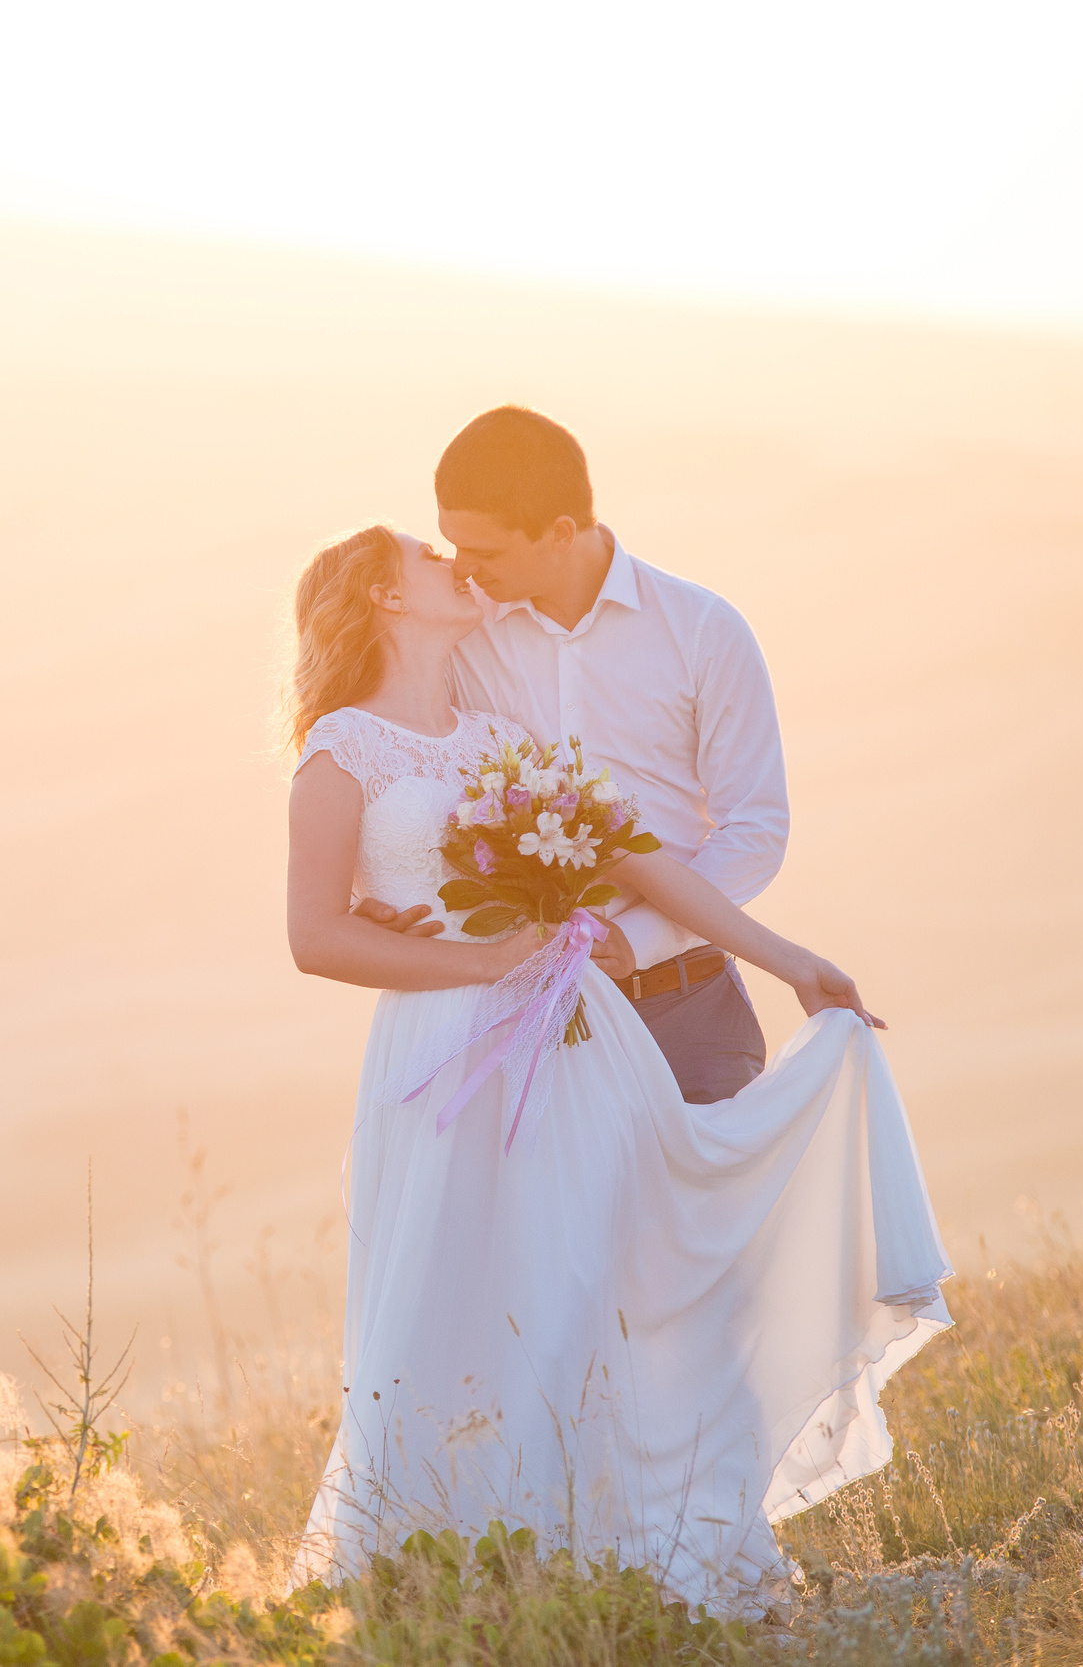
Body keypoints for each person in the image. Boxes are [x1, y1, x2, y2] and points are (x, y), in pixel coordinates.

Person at [282, 520, 951, 1614]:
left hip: (573, 1042)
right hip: (442, 1057)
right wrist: (474, 958)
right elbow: (314, 936)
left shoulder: (500, 735)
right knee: (459, 1289)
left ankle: (611, 1545)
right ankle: (435, 1572)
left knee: (583, 1276)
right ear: (383, 600)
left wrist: (789, 959)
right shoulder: (339, 751)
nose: (453, 560)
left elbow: (639, 854)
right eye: (423, 554)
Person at [356, 406, 789, 1106]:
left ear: (561, 533)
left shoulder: (704, 632)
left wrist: (641, 936)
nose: (462, 570)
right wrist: (377, 892)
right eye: (450, 546)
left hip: (687, 1007)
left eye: (485, 553)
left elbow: (756, 831)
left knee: (703, 1215)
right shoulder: (462, 639)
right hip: (518, 1020)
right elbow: (405, 763)